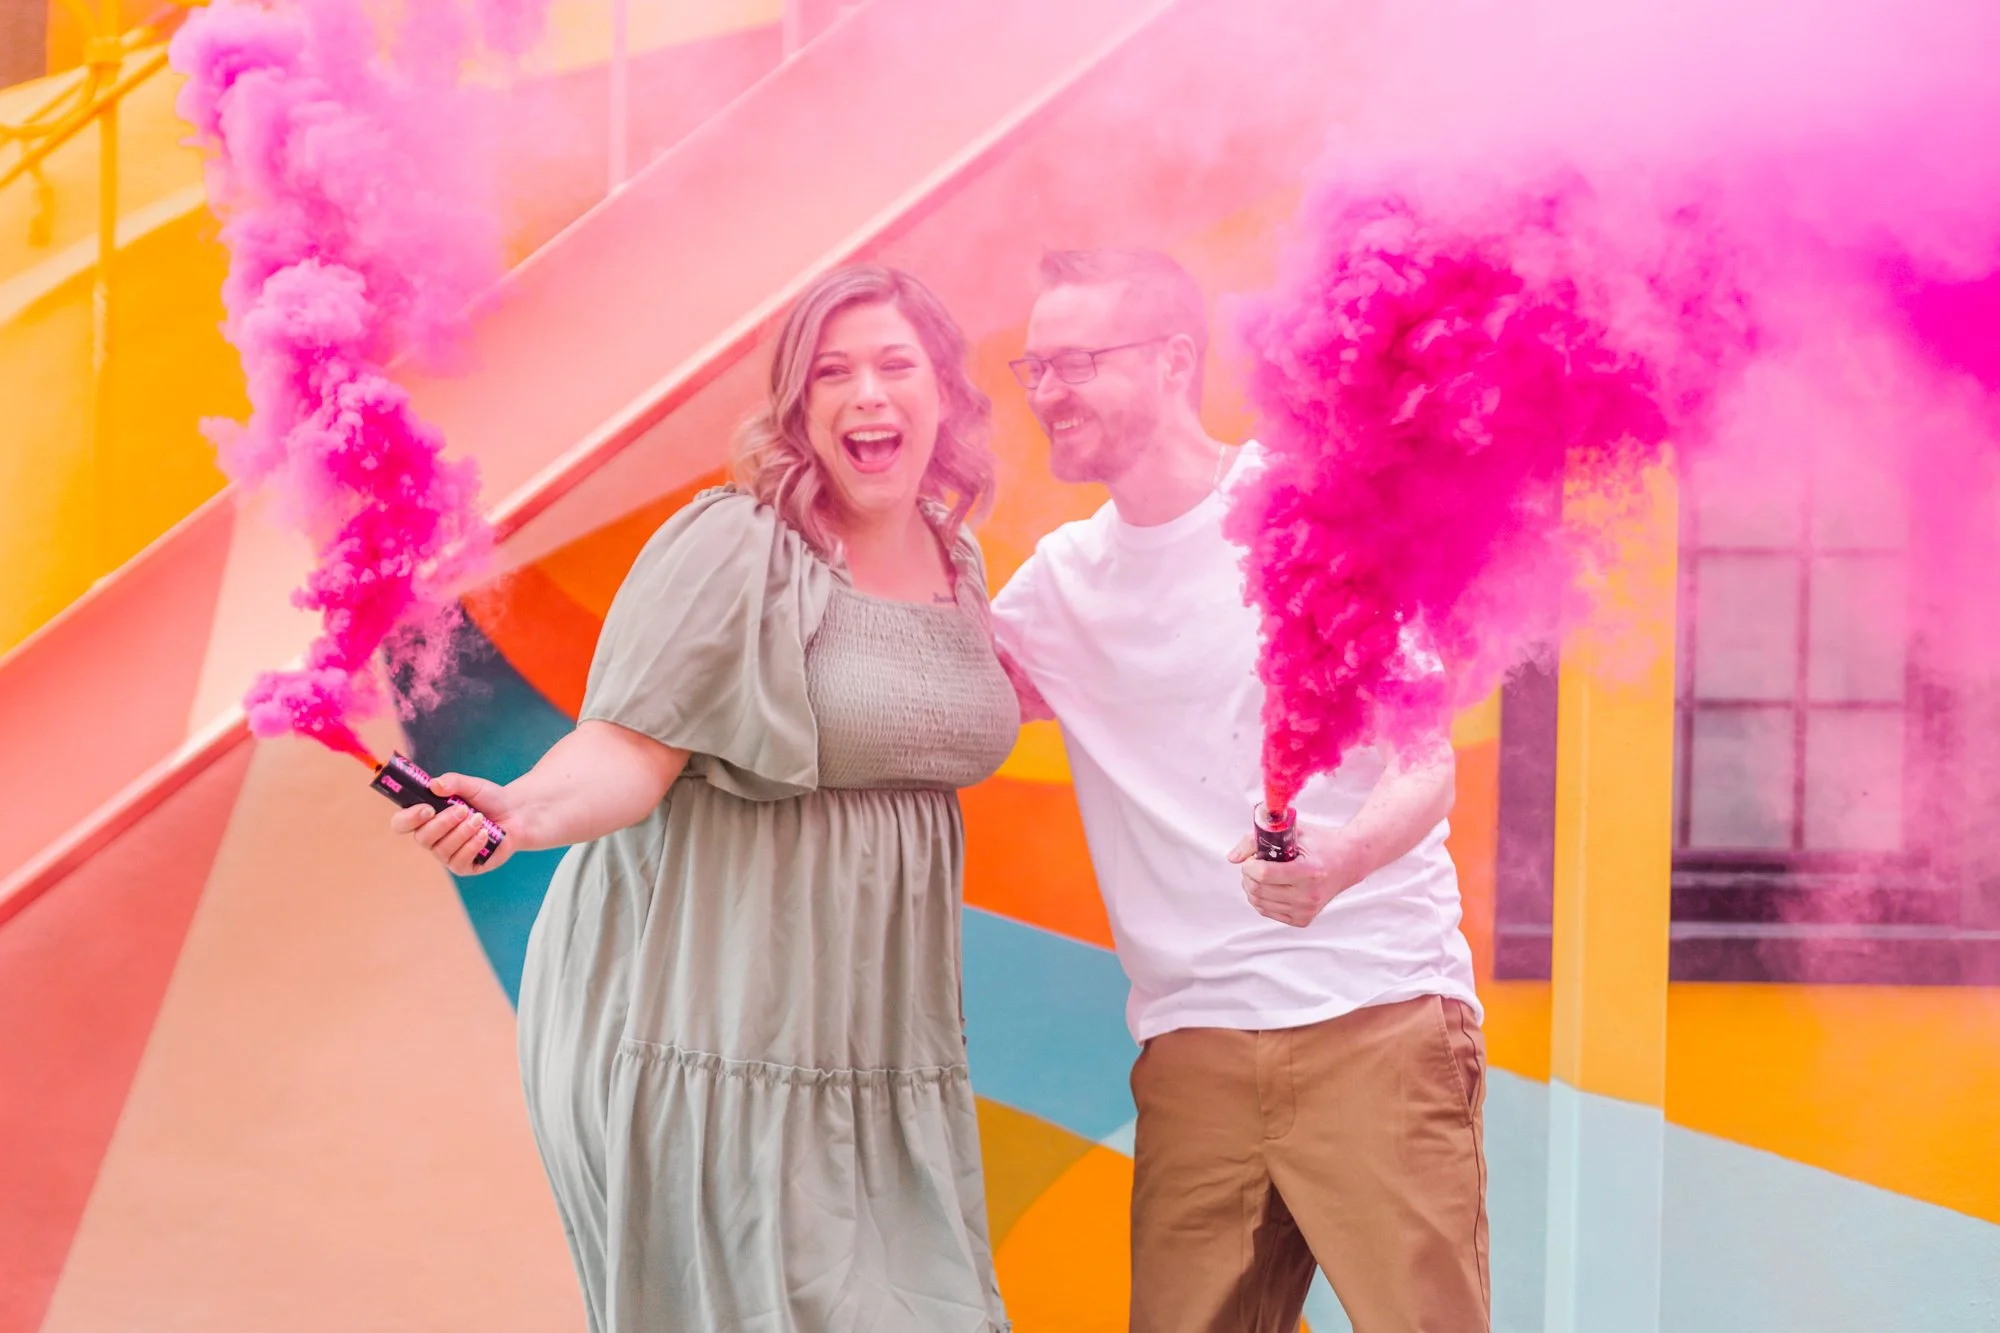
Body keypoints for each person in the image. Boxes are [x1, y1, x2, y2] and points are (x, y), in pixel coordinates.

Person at [392, 264, 1019, 1333]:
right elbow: (628, 747)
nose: (866, 392)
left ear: (945, 392)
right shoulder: (736, 545)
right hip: (711, 1014)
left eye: (893, 365)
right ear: (797, 406)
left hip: (873, 1036)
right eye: (832, 372)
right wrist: (520, 812)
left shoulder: (957, 561)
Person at [990, 248, 1488, 1333]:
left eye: (1075, 361)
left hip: (1376, 1015)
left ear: (1174, 361)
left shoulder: (1308, 511)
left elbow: (1425, 758)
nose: (1045, 394)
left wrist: (1336, 865)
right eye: (1033, 367)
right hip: (1193, 1049)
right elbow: (918, 701)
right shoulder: (1056, 588)